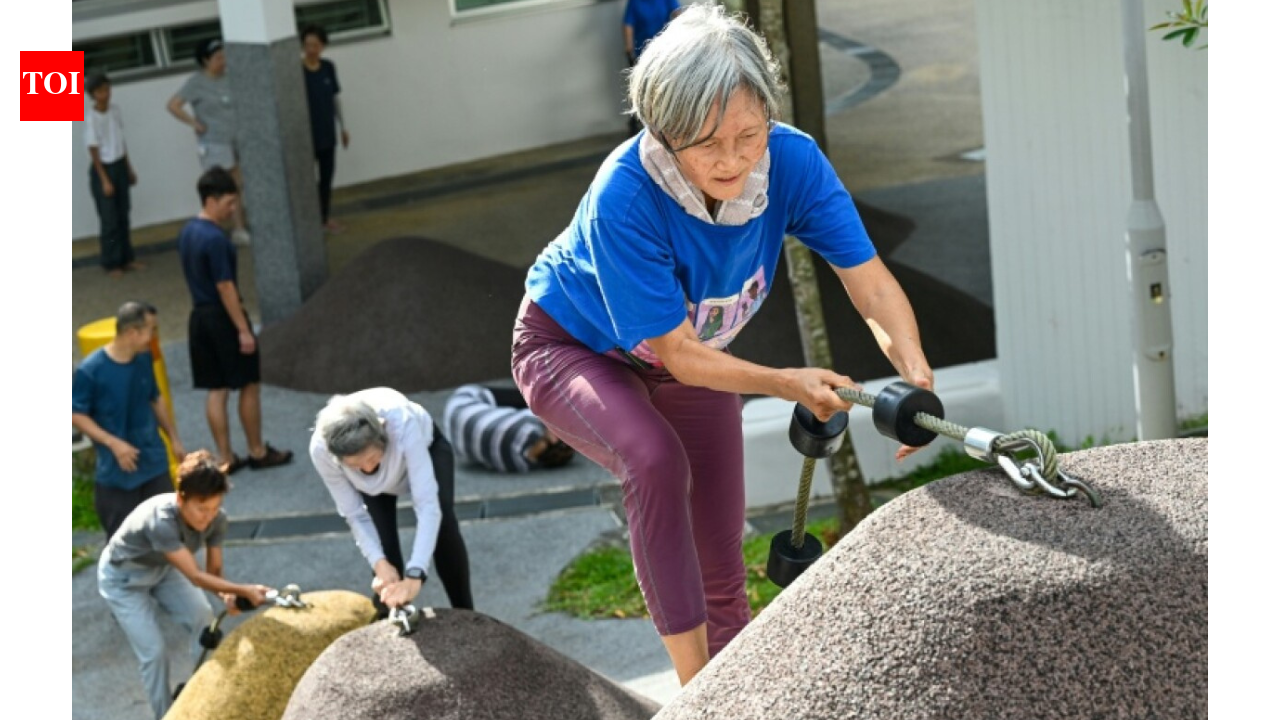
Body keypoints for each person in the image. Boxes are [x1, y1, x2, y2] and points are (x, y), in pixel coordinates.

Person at [510, 3, 935, 686]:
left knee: (720, 546)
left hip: (695, 361)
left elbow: (870, 283)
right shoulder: (626, 194)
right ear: (662, 128)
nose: (733, 158)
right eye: (708, 143)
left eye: (748, 133)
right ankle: (696, 694)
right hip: (573, 348)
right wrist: (789, 383)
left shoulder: (791, 160)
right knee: (654, 461)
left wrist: (913, 369)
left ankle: (740, 691)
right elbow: (674, 353)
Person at [97, 450, 272, 720]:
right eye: (201, 509)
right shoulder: (161, 521)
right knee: (154, 652)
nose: (207, 517)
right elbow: (196, 576)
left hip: (165, 569)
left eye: (214, 508)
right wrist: (245, 589)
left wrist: (227, 595)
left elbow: (214, 571)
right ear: (181, 498)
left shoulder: (217, 520)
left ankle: (206, 698)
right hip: (124, 580)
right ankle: (166, 715)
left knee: (204, 619)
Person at [310, 388, 474, 617]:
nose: (368, 468)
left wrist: (416, 574)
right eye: (356, 465)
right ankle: (390, 613)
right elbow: (354, 514)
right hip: (374, 487)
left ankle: (466, 613)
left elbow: (427, 506)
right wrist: (379, 564)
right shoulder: (321, 450)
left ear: (382, 430)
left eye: (371, 458)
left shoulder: (401, 422)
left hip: (427, 451)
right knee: (386, 553)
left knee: (443, 523)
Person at [177, 167, 293, 475]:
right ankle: (257, 451)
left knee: (216, 389)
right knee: (248, 384)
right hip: (223, 318)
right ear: (212, 200)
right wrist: (243, 329)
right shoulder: (216, 240)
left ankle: (225, 457)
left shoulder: (188, 232)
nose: (233, 209)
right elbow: (226, 287)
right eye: (229, 203)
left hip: (198, 317)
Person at [73, 301, 186, 540]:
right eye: (151, 330)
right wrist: (113, 443)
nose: (154, 336)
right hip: (118, 472)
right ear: (132, 333)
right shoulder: (90, 371)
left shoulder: (143, 359)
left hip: (153, 462)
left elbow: (155, 398)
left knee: (169, 532)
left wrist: (174, 438)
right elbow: (75, 414)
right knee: (124, 542)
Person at [167, 37, 250, 246]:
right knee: (219, 188)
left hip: (236, 139)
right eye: (218, 58)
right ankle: (214, 231)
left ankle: (239, 228)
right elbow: (173, 105)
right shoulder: (196, 83)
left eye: (224, 57)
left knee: (237, 185)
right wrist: (193, 122)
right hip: (214, 143)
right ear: (205, 61)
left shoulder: (229, 78)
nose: (222, 61)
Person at [442, 384, 575, 473]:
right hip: (455, 440)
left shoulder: (528, 425)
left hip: (461, 404)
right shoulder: (521, 465)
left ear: (553, 439)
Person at [84, 72, 141, 277]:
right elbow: (93, 150)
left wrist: (129, 168)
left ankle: (127, 258)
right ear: (92, 94)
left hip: (119, 165)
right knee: (109, 220)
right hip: (103, 169)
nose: (105, 94)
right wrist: (104, 179)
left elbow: (120, 141)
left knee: (123, 214)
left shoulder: (115, 111)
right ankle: (111, 262)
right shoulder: (91, 118)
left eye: (107, 89)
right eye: (100, 91)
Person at [300, 23, 350, 233]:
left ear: (323, 46)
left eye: (316, 45)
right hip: (306, 135)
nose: (312, 49)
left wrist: (343, 127)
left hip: (327, 132)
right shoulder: (296, 71)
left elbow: (335, 98)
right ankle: (308, 221)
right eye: (307, 45)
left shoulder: (328, 67)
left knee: (326, 177)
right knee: (305, 180)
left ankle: (324, 218)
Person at [622, 0, 683, 134]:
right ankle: (641, 124)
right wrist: (629, 50)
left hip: (665, 53)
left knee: (667, 87)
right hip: (643, 56)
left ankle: (672, 121)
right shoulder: (635, 3)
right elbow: (628, 26)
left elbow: (677, 13)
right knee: (644, 92)